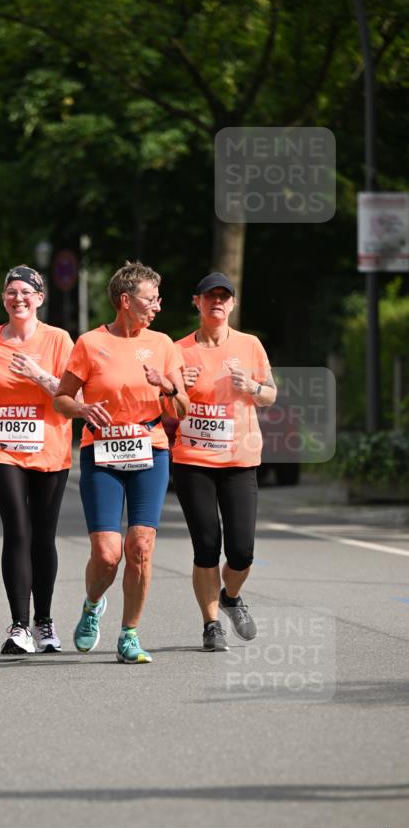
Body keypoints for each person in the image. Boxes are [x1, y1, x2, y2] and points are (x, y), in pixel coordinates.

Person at [54, 261, 188, 665]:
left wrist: (167, 386)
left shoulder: (163, 344)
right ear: (126, 301)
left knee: (141, 546)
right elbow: (61, 399)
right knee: (108, 553)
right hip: (102, 452)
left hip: (151, 449)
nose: (158, 307)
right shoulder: (90, 343)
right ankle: (93, 604)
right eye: (151, 299)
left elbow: (182, 407)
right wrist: (82, 409)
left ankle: (130, 633)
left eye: (159, 299)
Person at [0, 265, 73, 656]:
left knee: (43, 535)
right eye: (11, 292)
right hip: (1, 446)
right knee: (17, 529)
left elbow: (73, 395)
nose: (18, 298)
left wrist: (38, 374)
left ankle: (44, 621)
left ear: (39, 298)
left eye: (26, 292)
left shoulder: (59, 340)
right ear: (3, 299)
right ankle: (19, 625)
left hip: (50, 447)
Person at [172, 271, 276, 651]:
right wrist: (179, 388)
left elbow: (270, 395)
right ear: (197, 302)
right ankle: (211, 623)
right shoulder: (178, 350)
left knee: (242, 552)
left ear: (232, 303)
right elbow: (167, 408)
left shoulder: (250, 345)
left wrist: (252, 386)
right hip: (193, 460)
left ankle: (230, 597)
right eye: (209, 296)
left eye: (223, 296)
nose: (217, 301)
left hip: (239, 460)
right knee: (205, 545)